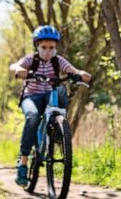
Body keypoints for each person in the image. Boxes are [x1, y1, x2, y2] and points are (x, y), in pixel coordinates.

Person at [9, 25, 91, 187]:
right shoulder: (31, 60)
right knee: (32, 117)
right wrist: (20, 69)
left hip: (49, 96)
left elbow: (72, 70)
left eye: (51, 48)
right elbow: (14, 66)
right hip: (31, 97)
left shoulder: (58, 61)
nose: (47, 51)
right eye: (44, 47)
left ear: (55, 48)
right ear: (37, 46)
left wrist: (81, 74)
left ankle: (59, 129)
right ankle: (23, 162)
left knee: (60, 90)